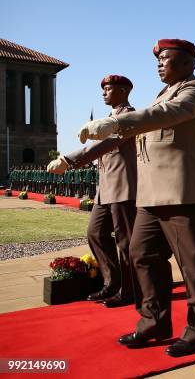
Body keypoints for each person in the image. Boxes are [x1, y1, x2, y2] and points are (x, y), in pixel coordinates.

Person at [78, 39, 195, 357]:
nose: (159, 64)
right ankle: (154, 320)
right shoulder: (161, 97)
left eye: (166, 58)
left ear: (187, 63)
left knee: (192, 264)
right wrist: (75, 155)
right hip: (151, 194)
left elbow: (162, 116)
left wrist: (115, 120)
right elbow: (126, 133)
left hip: (183, 193)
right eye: (157, 60)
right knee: (140, 253)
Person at [48, 75, 138, 308]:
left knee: (126, 242)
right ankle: (112, 282)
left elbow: (105, 144)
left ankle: (130, 289)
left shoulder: (128, 116)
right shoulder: (108, 118)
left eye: (108, 89)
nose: (103, 93)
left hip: (123, 186)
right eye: (104, 89)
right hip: (105, 189)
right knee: (95, 233)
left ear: (124, 90)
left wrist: (68, 159)